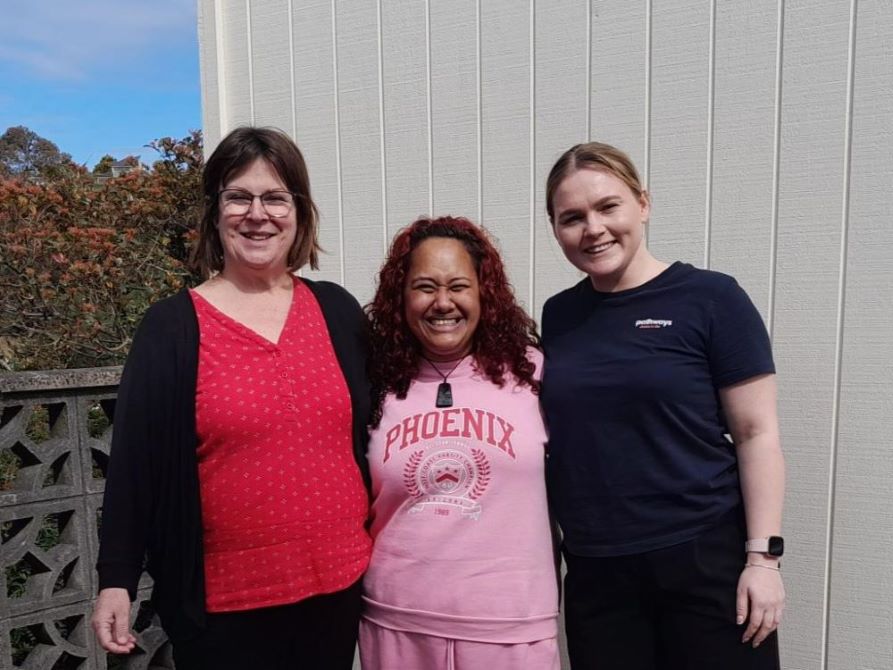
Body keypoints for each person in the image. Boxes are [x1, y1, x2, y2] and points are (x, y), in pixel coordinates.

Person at [91, 126, 372, 670]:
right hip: (224, 607)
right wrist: (116, 580)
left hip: (338, 584)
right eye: (239, 196)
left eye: (275, 198)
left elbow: (378, 423)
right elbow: (134, 465)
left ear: (300, 212)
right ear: (214, 213)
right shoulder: (172, 327)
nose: (257, 214)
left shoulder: (337, 311)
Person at [541, 142, 786, 669]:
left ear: (643, 204)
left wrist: (763, 560)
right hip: (598, 571)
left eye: (609, 207)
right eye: (572, 217)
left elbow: (756, 433)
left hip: (703, 557)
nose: (593, 228)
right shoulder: (559, 316)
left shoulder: (712, 299)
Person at [361, 216, 560, 669]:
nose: (442, 303)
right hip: (397, 622)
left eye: (459, 286)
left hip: (511, 627)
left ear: (483, 293)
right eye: (425, 286)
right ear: (402, 295)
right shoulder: (375, 383)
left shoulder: (533, 373)